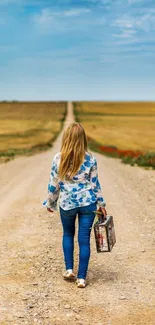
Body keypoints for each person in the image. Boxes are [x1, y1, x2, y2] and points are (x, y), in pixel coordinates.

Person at [43, 122, 107, 288]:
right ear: (83, 139)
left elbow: (53, 184)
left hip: (67, 204)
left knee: (68, 234)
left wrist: (50, 202)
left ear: (66, 138)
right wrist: (101, 203)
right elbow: (95, 184)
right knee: (84, 240)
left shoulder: (58, 158)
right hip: (88, 203)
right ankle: (81, 278)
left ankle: (69, 269)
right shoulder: (90, 158)